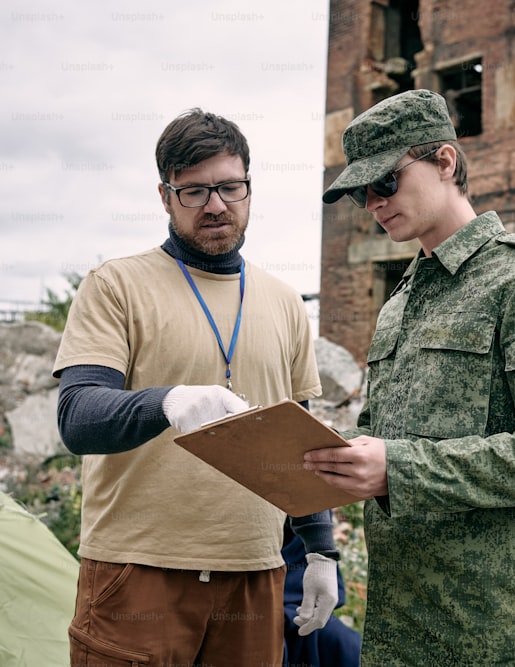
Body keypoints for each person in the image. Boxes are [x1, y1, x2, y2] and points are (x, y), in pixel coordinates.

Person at [306, 89, 515, 665]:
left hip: (486, 629)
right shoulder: (399, 303)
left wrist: (400, 468)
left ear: (445, 161)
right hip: (396, 624)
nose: (373, 203)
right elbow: (381, 437)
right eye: (362, 193)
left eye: (386, 182)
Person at [53, 108, 340, 667]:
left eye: (230, 187)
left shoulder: (284, 302)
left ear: (249, 187)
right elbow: (78, 415)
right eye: (194, 191)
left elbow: (301, 441)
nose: (216, 204)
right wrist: (167, 400)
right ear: (165, 197)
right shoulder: (115, 285)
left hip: (255, 576)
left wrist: (322, 550)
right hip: (138, 574)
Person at [281, 517, 361, 667]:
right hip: (253, 609)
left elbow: (312, 502)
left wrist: (322, 555)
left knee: (348, 647)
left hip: (303, 610)